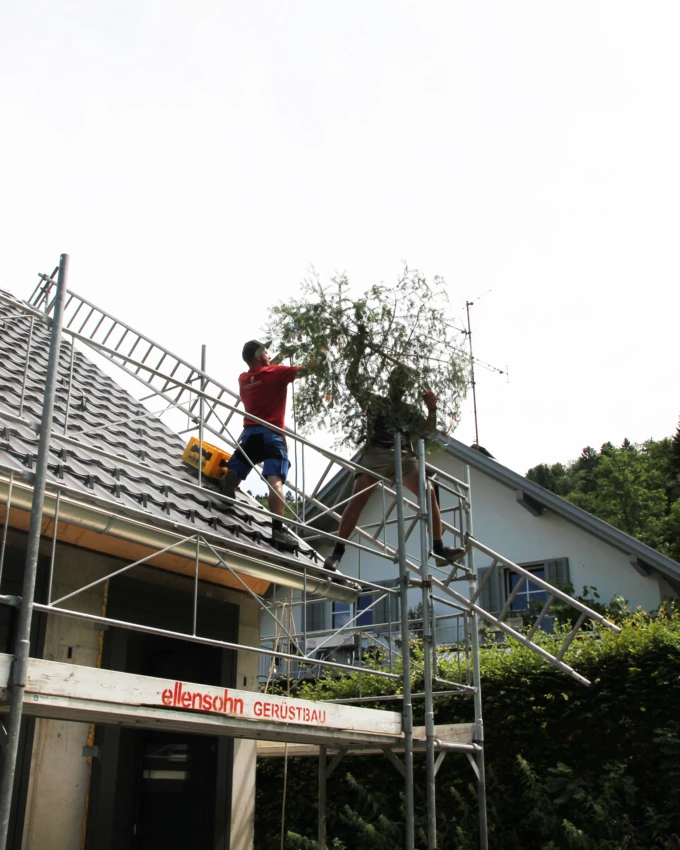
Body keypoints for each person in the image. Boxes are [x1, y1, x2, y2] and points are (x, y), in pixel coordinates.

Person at [323, 332, 466, 571]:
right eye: (397, 383)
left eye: (404, 385)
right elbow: (352, 382)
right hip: (376, 454)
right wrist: (358, 352)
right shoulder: (375, 402)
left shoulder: (410, 411)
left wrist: (433, 408)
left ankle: (439, 548)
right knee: (358, 497)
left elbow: (427, 429)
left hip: (404, 457)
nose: (399, 388)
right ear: (390, 385)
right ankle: (337, 552)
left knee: (429, 492)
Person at [221, 339, 310, 551]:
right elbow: (306, 370)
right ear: (259, 355)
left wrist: (277, 357)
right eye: (267, 353)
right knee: (275, 481)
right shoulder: (276, 374)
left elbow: (265, 370)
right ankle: (278, 530)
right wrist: (322, 353)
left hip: (250, 435)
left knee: (240, 466)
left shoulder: (244, 379)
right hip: (272, 435)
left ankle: (230, 480)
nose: (271, 356)